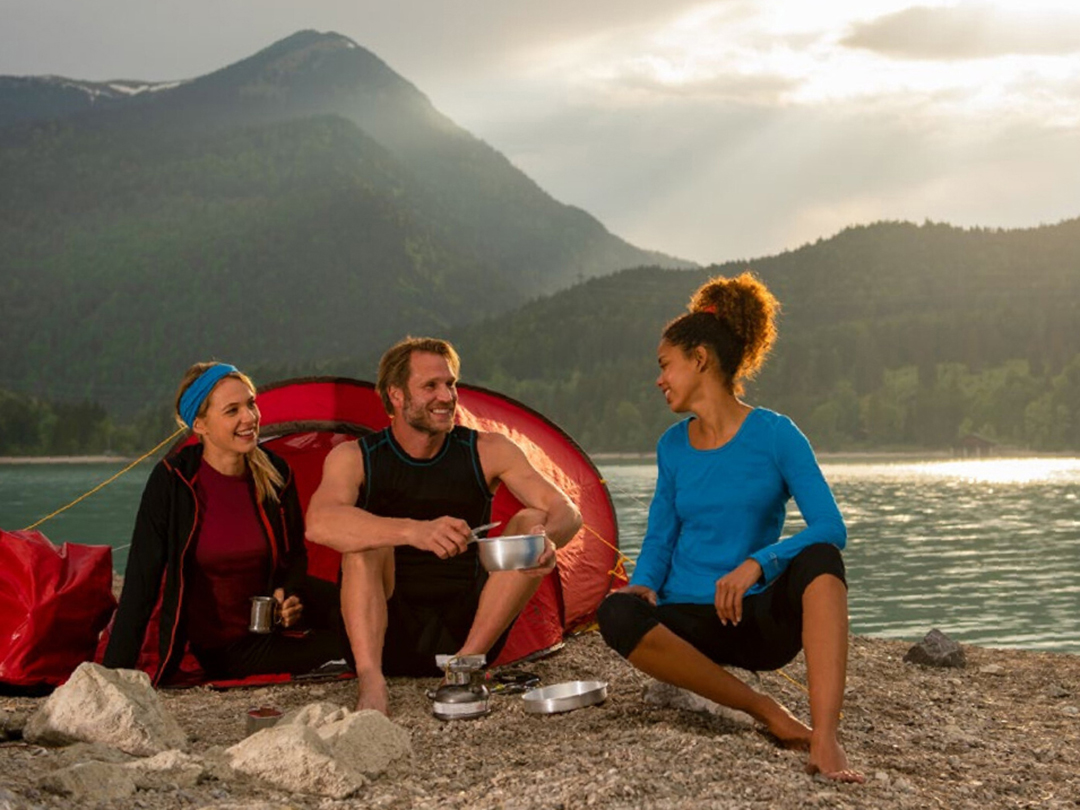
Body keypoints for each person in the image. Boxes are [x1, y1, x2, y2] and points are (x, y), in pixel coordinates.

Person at [596, 273, 864, 783]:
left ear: (699, 359)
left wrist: (758, 562)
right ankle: (765, 710)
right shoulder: (672, 446)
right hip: (688, 626)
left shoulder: (777, 435)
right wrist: (644, 584)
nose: (659, 380)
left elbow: (831, 527)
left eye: (664, 365)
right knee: (616, 612)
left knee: (822, 558)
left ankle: (825, 738)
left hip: (757, 620)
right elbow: (661, 534)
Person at [306, 337, 582, 715]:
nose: (447, 396)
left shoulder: (488, 450)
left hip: (469, 631)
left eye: (450, 384)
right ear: (396, 395)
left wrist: (547, 540)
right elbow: (319, 523)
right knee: (363, 541)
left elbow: (567, 511)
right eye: (430, 386)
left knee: (532, 521)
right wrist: (414, 531)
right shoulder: (354, 457)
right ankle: (371, 682)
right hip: (386, 635)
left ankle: (463, 671)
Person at [103, 362, 345, 685]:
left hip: (271, 620)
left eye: (251, 404)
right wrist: (112, 676)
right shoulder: (174, 481)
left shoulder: (275, 472)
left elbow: (295, 555)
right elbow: (140, 583)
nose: (250, 417)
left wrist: (289, 594)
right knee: (356, 643)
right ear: (200, 424)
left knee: (365, 610)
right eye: (232, 410)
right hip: (227, 647)